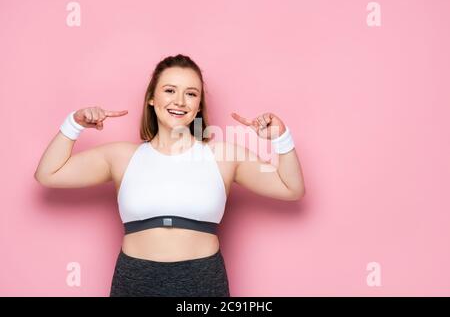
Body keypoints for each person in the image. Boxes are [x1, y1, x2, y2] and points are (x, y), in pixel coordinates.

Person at [34, 54, 306, 297]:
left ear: (199, 105)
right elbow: (48, 174)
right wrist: (74, 125)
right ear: (152, 98)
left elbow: (290, 188)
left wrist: (280, 138)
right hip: (135, 281)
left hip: (202, 282)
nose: (179, 101)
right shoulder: (121, 156)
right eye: (169, 90)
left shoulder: (223, 154)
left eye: (191, 93)